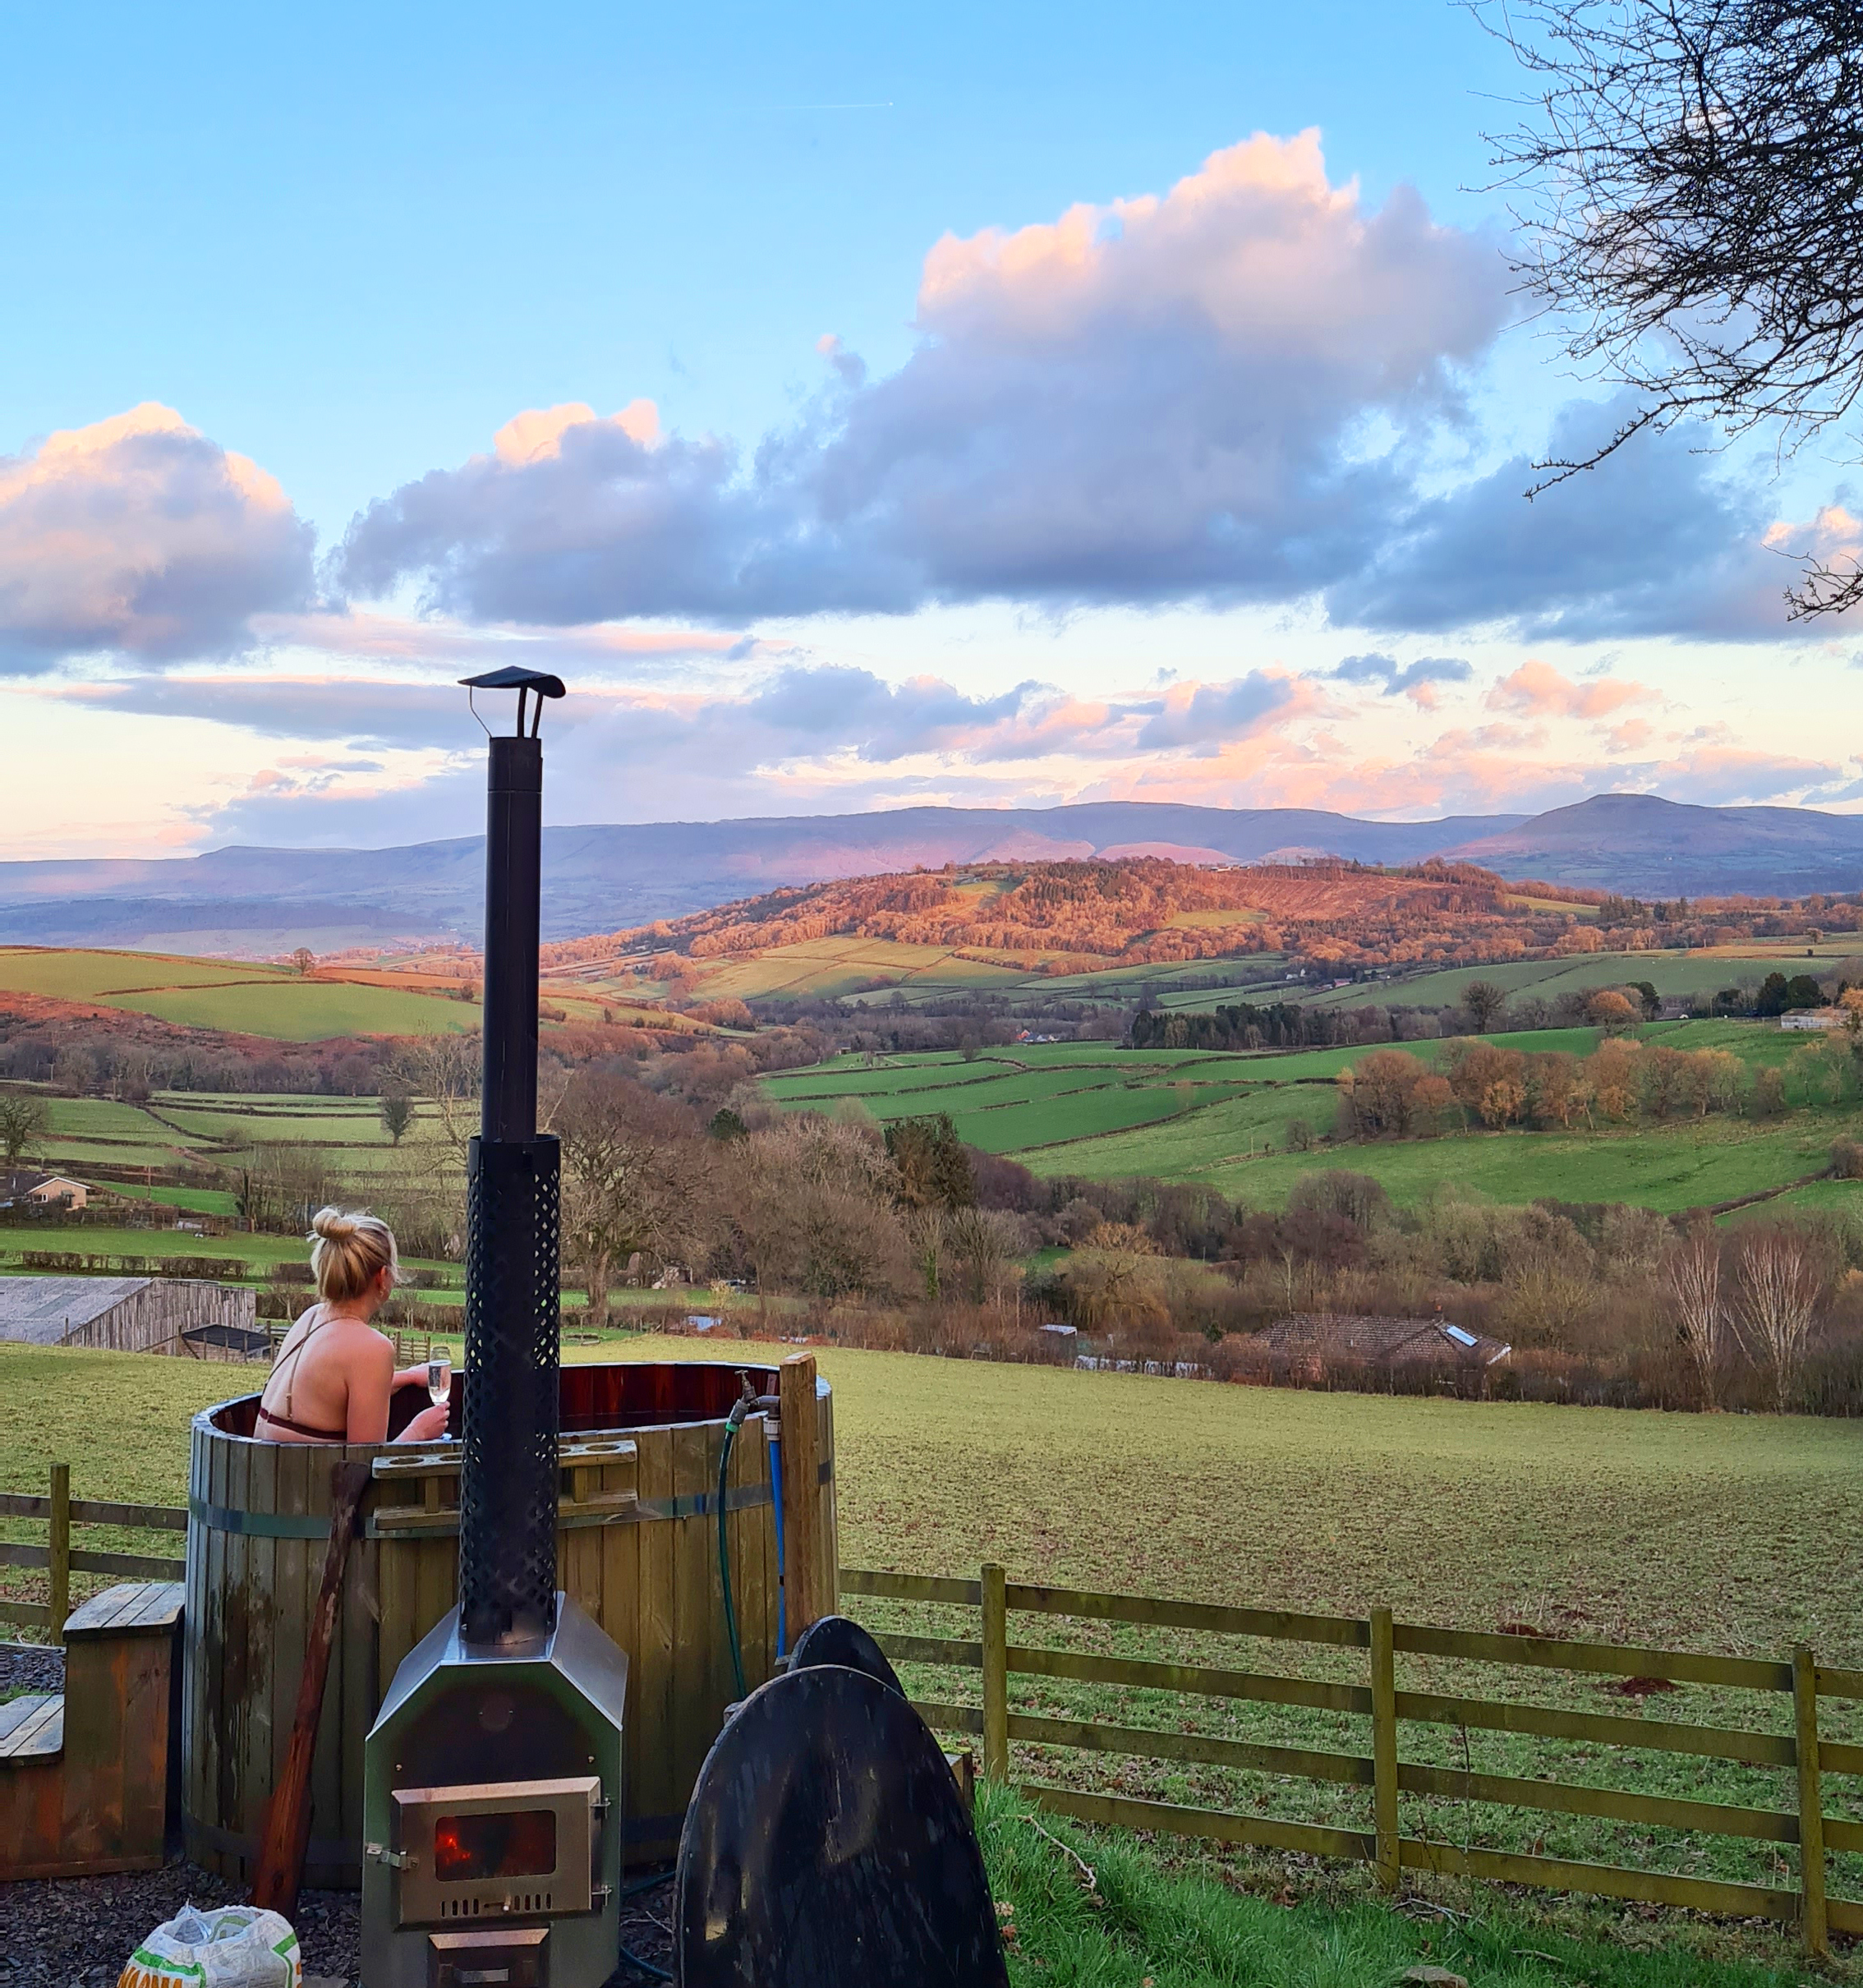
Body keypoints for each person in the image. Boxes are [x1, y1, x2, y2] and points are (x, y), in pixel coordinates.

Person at [256, 1207, 451, 1444]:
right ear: (382, 1276)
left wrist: (408, 1376)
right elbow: (366, 1464)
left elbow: (331, 1392)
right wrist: (419, 1432)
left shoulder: (310, 1318)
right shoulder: (372, 1348)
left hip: (265, 1475)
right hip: (310, 1480)